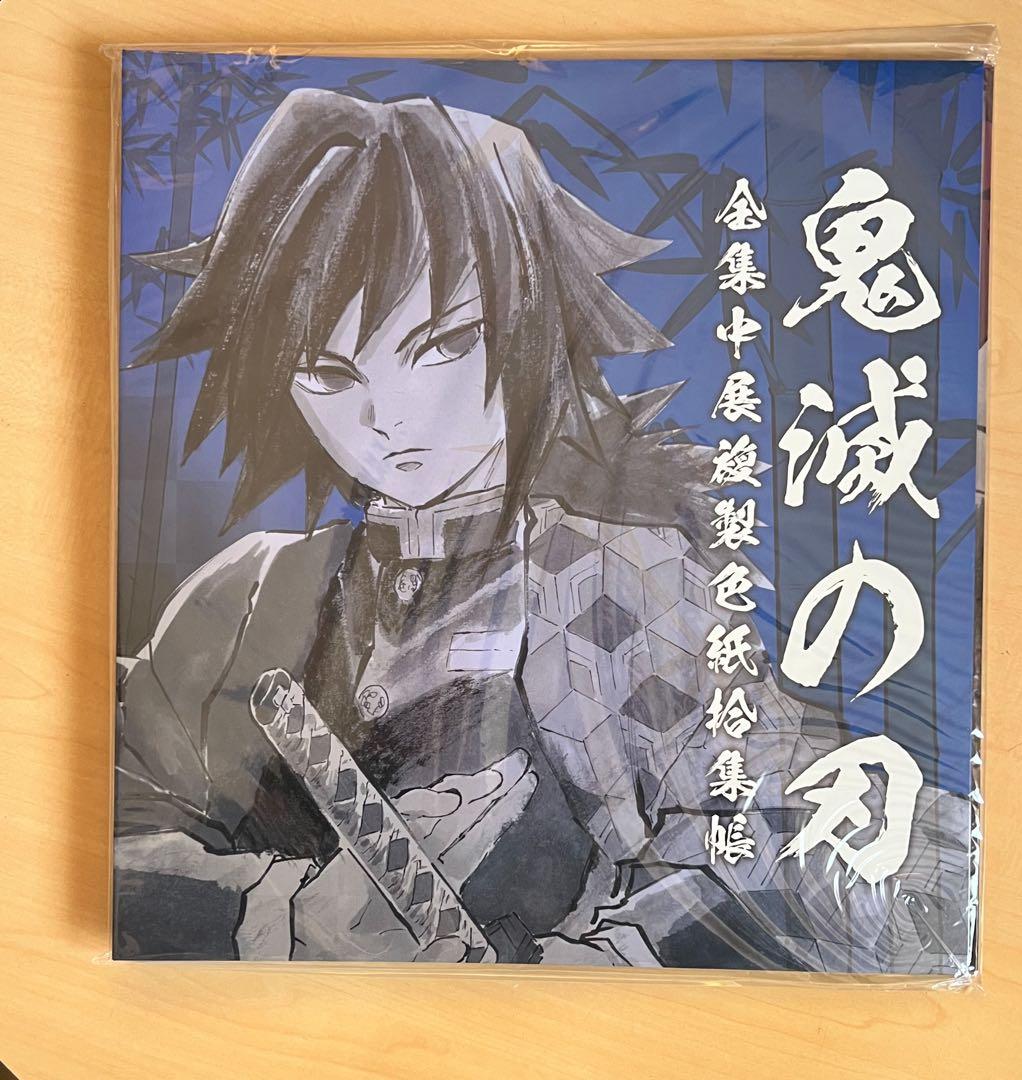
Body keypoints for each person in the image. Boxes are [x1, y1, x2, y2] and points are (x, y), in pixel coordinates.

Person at [114, 89, 968, 971]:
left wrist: (590, 967)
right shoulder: (245, 600)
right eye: (328, 372)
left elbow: (771, 845)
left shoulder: (619, 576)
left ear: (530, 322)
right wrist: (280, 911)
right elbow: (110, 835)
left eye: (442, 344)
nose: (386, 416)